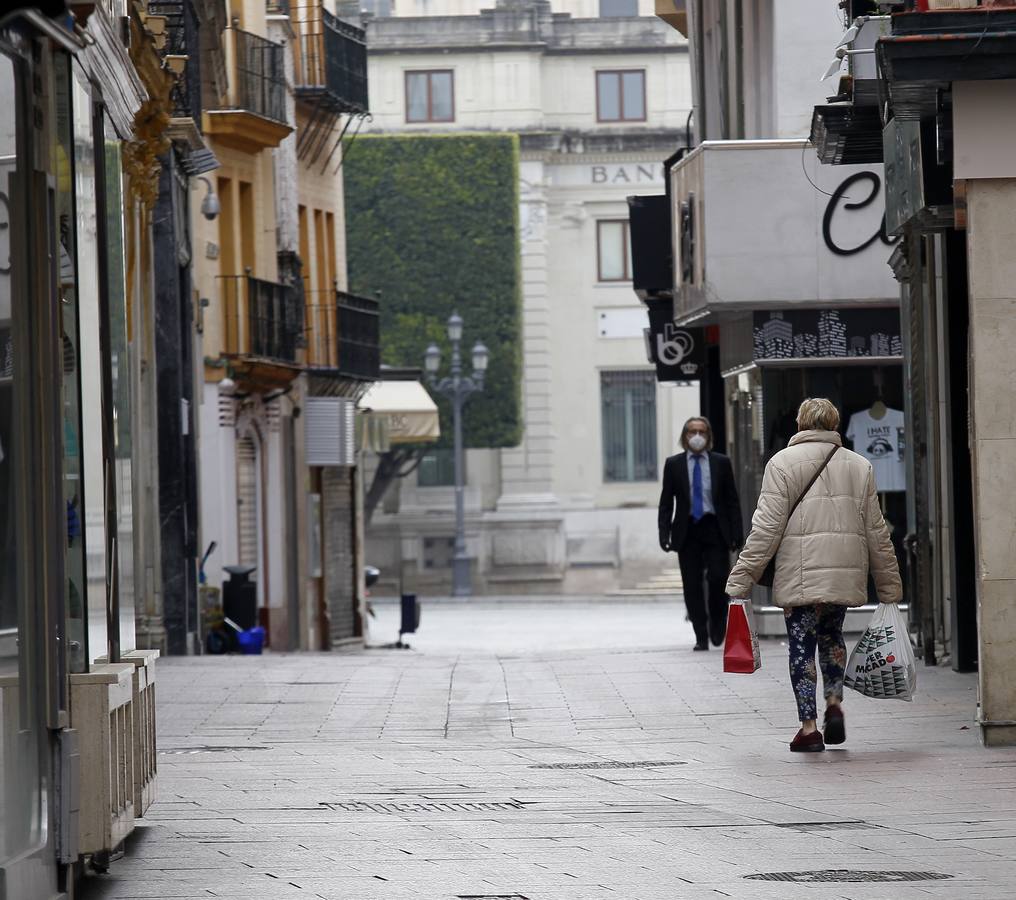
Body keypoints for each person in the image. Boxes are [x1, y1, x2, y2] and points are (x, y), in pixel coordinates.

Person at [726, 398, 902, 753]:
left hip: (799, 571)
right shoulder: (859, 465)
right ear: (835, 424)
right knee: (832, 635)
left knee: (801, 644)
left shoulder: (781, 464)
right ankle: (834, 704)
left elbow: (766, 527)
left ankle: (808, 727)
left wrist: (742, 578)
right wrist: (889, 586)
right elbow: (876, 531)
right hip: (843, 570)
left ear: (800, 423)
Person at [658, 416, 743, 651]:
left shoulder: (721, 463)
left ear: (708, 437)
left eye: (702, 432)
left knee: (718, 577)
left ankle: (718, 620)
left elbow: (731, 501)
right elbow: (666, 503)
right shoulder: (673, 464)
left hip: (714, 527)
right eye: (692, 431)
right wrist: (664, 533)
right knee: (691, 584)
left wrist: (737, 533)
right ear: (685, 437)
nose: (697, 436)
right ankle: (701, 634)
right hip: (687, 530)